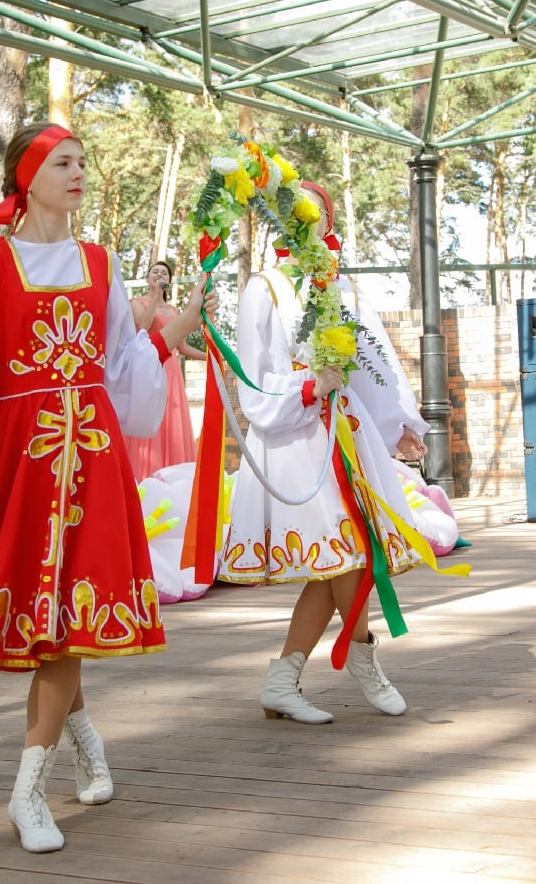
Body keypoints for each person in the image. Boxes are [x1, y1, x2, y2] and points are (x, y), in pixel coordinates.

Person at [0, 122, 212, 854]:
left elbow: (122, 374)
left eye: (83, 162)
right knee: (49, 625)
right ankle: (84, 743)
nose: (79, 174)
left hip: (94, 459)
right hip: (23, 459)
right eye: (64, 163)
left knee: (64, 622)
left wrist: (171, 337)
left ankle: (27, 791)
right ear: (29, 176)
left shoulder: (101, 264)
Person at [220, 181, 429, 724]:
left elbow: (378, 364)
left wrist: (399, 422)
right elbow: (253, 379)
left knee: (338, 561)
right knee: (347, 553)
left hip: (347, 432)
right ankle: (363, 661)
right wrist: (307, 388)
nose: (305, 219)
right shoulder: (262, 289)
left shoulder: (344, 288)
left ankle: (283, 680)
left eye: (316, 212)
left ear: (328, 222)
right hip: (295, 439)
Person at [125, 258, 204, 479]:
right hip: (148, 367)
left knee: (170, 423)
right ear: (148, 278)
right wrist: (154, 298)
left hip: (171, 371)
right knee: (151, 418)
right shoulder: (136, 302)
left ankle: (171, 477)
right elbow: (142, 326)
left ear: (169, 280)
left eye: (164, 273)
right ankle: (144, 475)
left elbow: (182, 345)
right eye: (155, 272)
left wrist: (211, 357)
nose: (160, 275)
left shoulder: (172, 309)